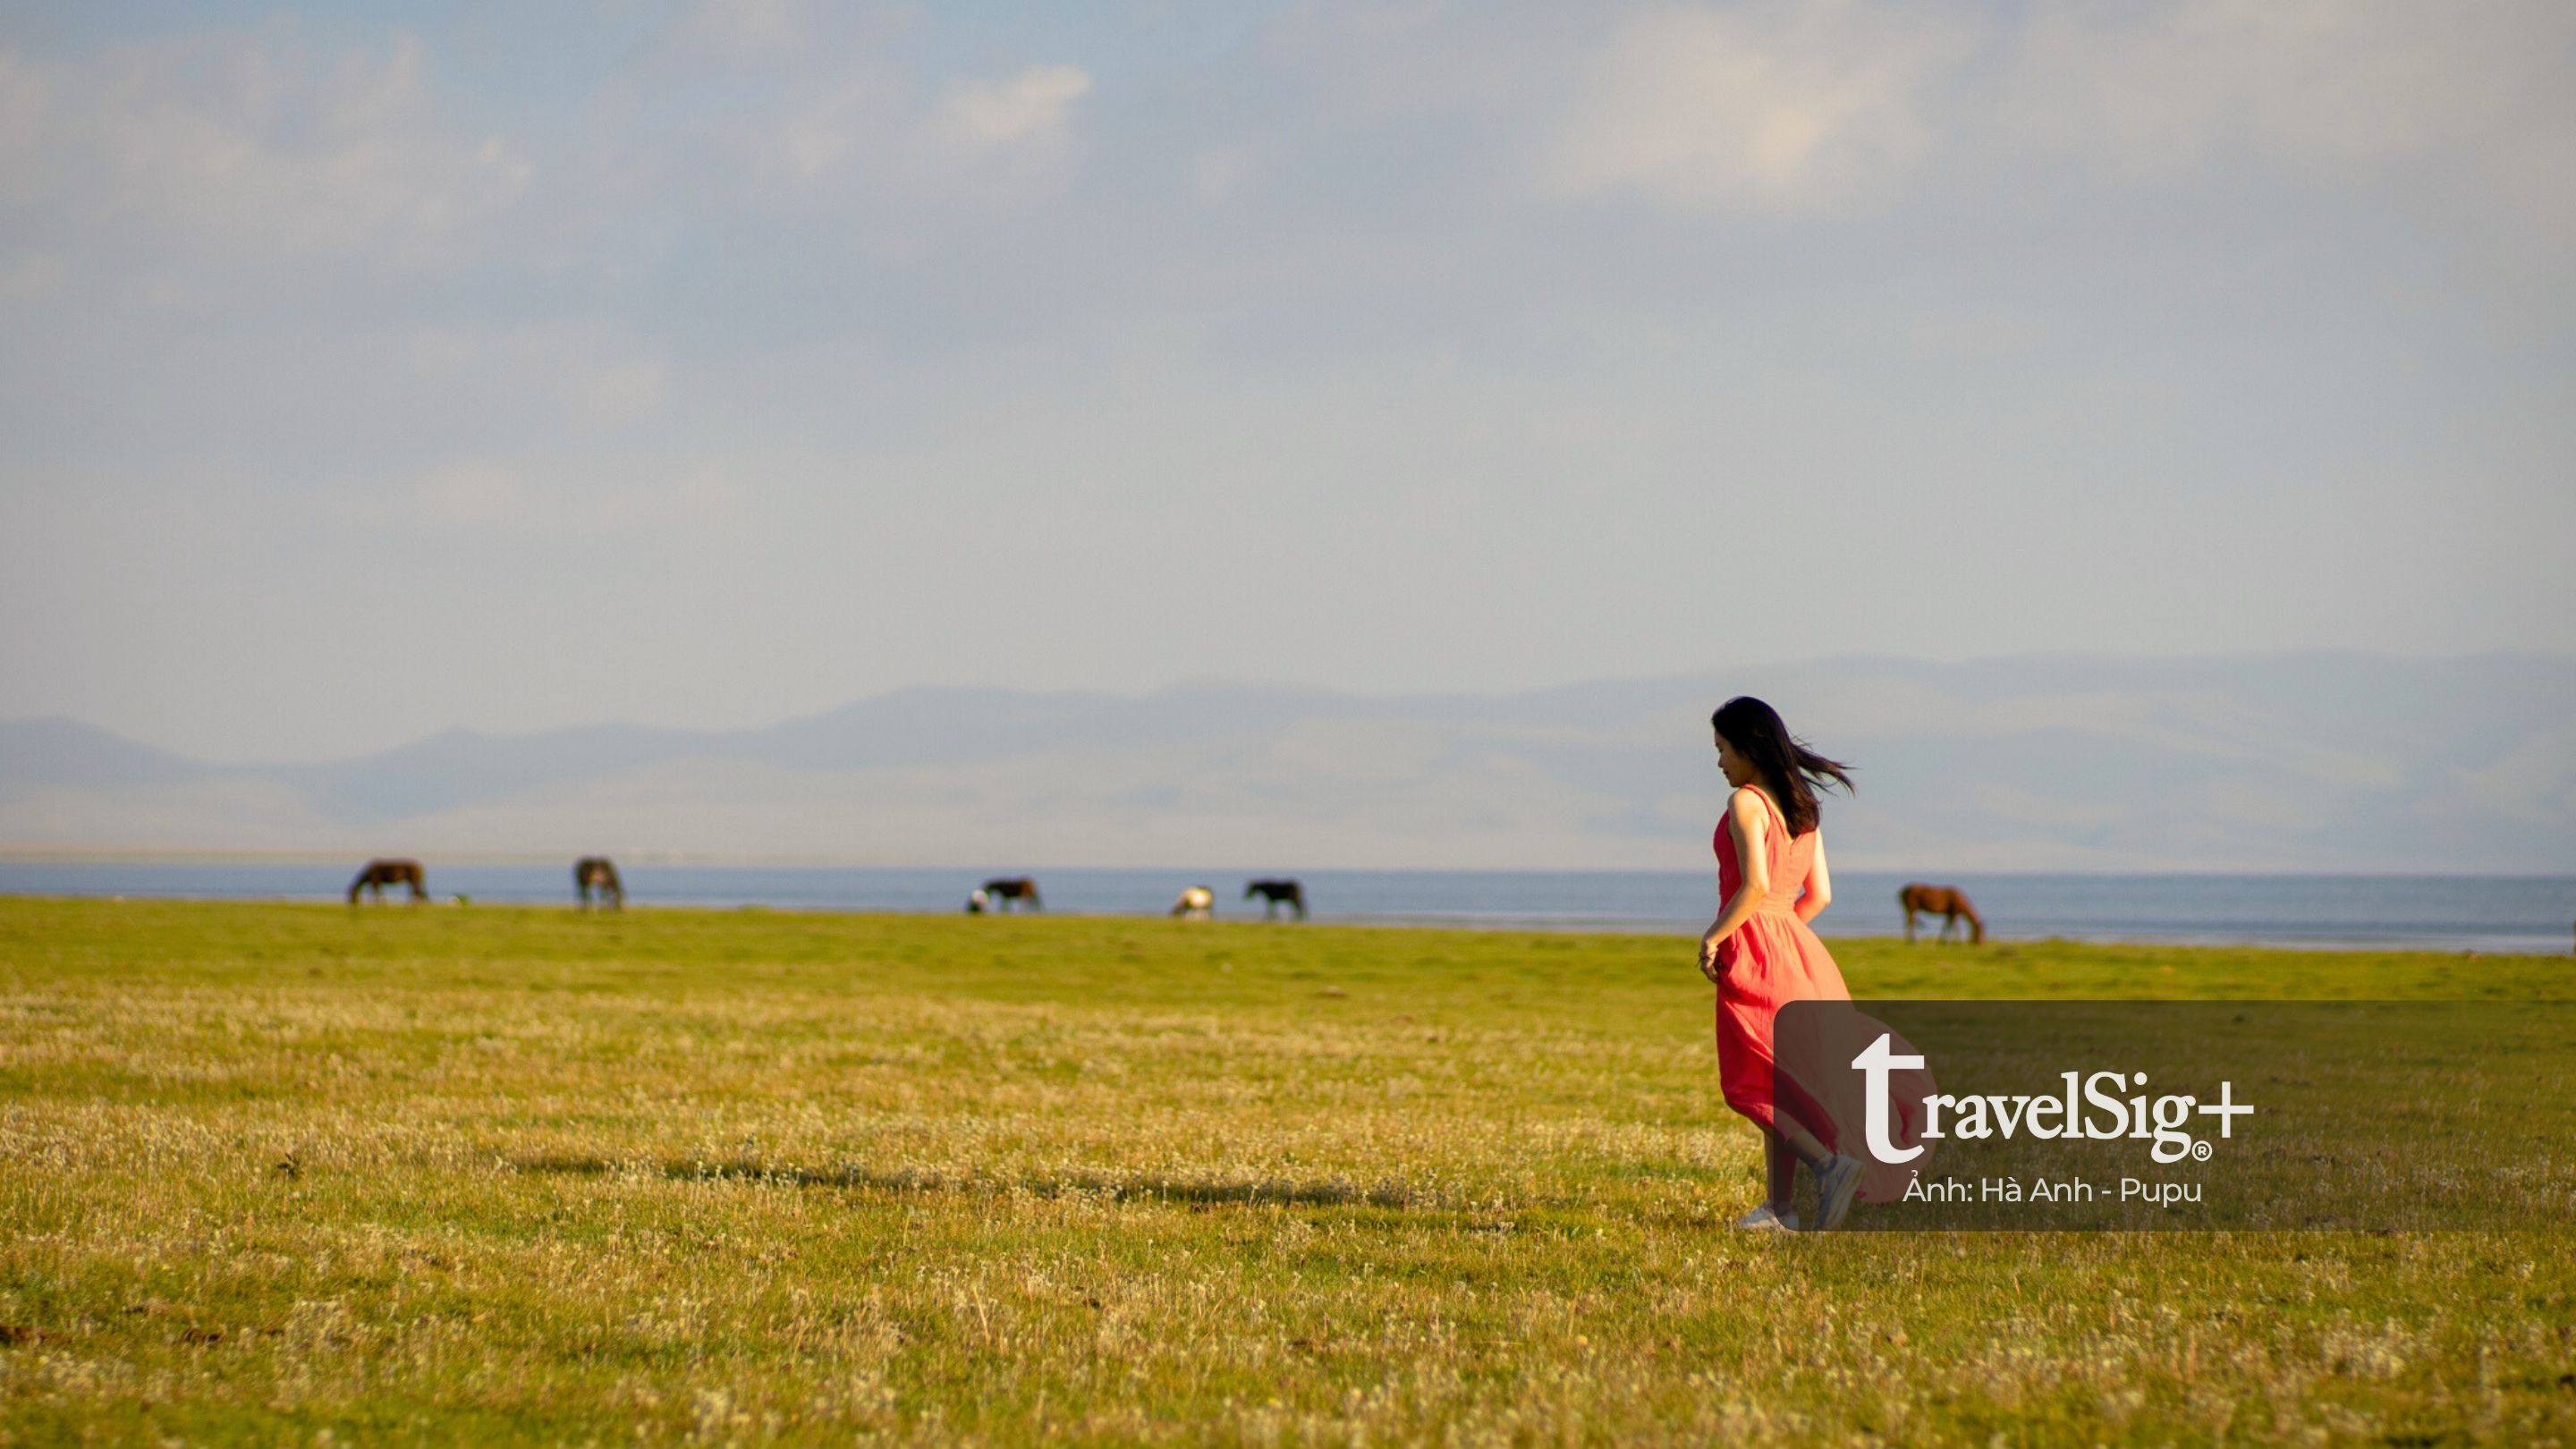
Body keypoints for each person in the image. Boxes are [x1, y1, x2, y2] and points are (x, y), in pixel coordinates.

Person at [1699, 696, 1868, 1232]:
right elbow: (1819, 896)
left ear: (1748, 748)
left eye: (1723, 749)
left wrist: (1715, 937)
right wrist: (1781, 930)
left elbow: (1755, 886)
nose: (1719, 762)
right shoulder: (1802, 808)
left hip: (1755, 951)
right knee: (1781, 1086)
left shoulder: (1747, 804)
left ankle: (1828, 1166)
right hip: (1799, 950)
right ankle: (1780, 1209)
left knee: (1748, 1086)